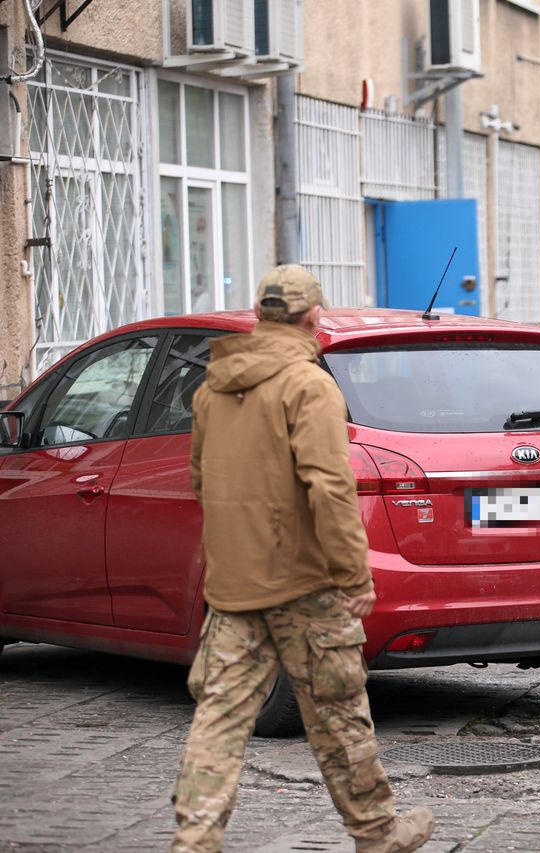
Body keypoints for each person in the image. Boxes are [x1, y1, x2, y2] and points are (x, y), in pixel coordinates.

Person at [173, 265, 433, 853]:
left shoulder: (212, 386)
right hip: (305, 585)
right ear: (314, 317)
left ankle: (194, 841)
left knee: (219, 716)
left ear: (261, 316)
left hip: (234, 584)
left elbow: (198, 479)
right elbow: (330, 486)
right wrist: (352, 573)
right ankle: (376, 833)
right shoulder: (309, 385)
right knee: (338, 712)